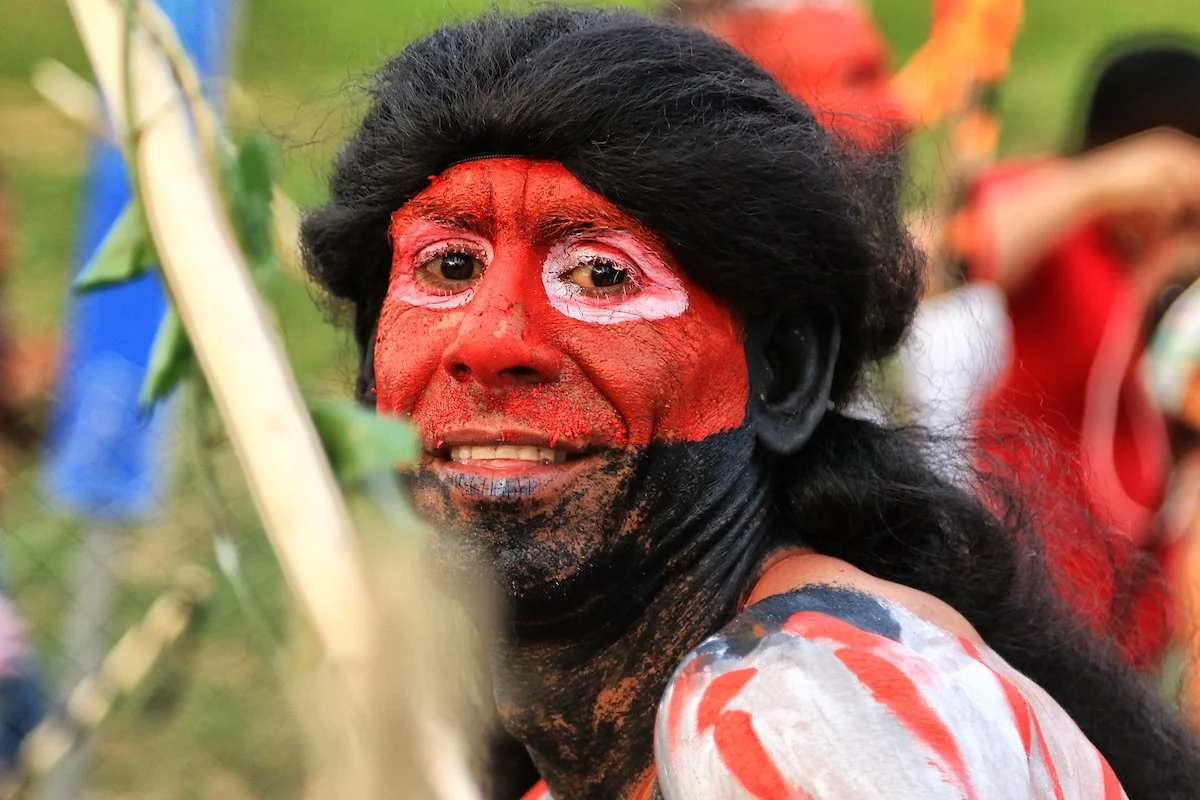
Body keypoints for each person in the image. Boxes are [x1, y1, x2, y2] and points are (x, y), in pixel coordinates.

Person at [301, 8, 1200, 798]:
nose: (488, 343)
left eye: (600, 274)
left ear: (786, 373)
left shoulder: (800, 716)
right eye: (448, 266)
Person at [956, 38, 1200, 669]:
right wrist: (1099, 184)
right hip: (1024, 602)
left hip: (1138, 631)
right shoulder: (1054, 210)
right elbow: (955, 256)